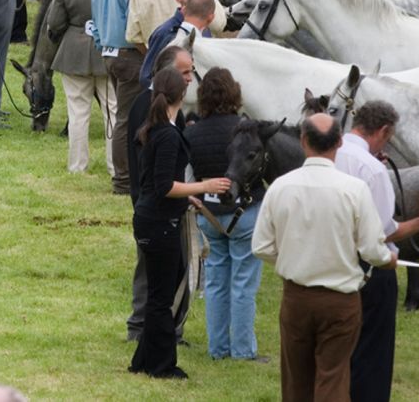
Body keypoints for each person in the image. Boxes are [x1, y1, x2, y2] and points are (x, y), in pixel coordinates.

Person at [253, 113, 396, 402]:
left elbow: (262, 247)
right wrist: (387, 258)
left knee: (296, 381)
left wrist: (292, 257)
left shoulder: (280, 186)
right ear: (340, 142)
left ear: (303, 141)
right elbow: (372, 249)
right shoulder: (355, 189)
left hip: (296, 298)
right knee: (333, 378)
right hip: (340, 301)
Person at [336, 102, 419, 402]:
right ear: (384, 131)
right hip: (371, 270)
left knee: (338, 353)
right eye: (388, 138)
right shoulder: (373, 170)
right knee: (372, 353)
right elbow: (384, 231)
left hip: (333, 265)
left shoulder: (331, 154)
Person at [129, 66, 231, 379]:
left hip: (153, 217)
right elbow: (164, 186)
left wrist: (188, 198)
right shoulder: (168, 135)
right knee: (162, 298)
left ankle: (143, 360)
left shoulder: (156, 128)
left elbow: (155, 183)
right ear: (181, 96)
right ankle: (162, 366)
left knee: (165, 289)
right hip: (158, 222)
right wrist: (205, 186)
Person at [184, 68, 266, 362]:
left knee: (217, 281)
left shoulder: (191, 133)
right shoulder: (246, 129)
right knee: (244, 283)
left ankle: (218, 349)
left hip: (209, 213)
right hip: (245, 213)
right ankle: (243, 351)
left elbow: (189, 173)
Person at [49, 0, 115, 171]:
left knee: (77, 112)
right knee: (113, 112)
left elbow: (54, 22)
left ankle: (77, 165)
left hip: (73, 51)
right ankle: (116, 166)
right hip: (107, 50)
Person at [91, 0, 147, 196]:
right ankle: (123, 180)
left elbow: (96, 23)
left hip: (108, 53)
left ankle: (125, 176)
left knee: (122, 116)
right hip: (130, 55)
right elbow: (137, 27)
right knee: (127, 119)